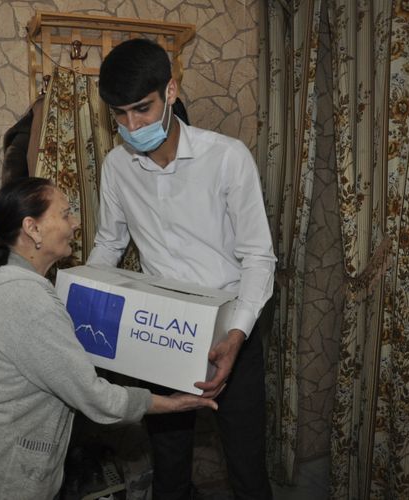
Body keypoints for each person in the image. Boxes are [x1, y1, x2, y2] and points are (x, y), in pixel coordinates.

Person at [0, 177, 218, 500]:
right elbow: (96, 398)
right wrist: (172, 403)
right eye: (66, 214)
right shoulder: (27, 300)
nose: (76, 223)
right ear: (32, 229)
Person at [88, 38, 277, 499]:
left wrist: (237, 336)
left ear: (170, 91)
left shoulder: (227, 157)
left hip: (231, 332)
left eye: (142, 109)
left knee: (247, 468)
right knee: (169, 469)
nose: (132, 126)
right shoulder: (116, 167)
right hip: (161, 333)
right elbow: (109, 244)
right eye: (119, 115)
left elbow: (258, 256)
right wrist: (83, 303)